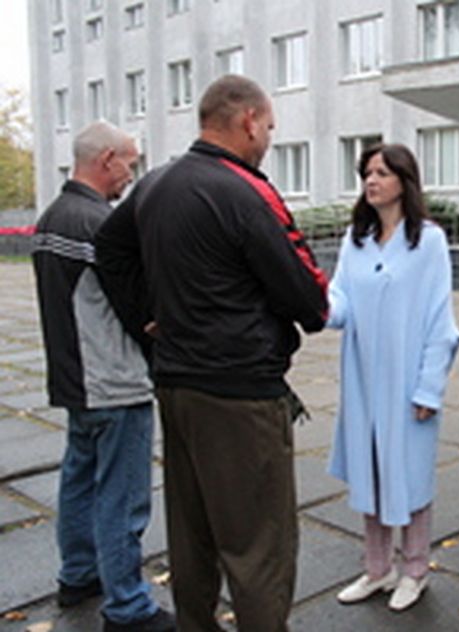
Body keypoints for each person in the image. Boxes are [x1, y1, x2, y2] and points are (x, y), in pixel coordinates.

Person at [94, 75, 329, 632]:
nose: (268, 138)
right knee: (259, 548)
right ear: (248, 120)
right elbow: (310, 300)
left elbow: (110, 247)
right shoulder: (246, 191)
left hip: (177, 384)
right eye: (268, 127)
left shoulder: (155, 183)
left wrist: (148, 318)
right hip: (240, 394)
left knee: (192, 534)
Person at [32, 121, 175, 632]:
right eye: (130, 164)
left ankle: (78, 574)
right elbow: (137, 302)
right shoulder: (98, 223)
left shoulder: (53, 217)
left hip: (76, 380)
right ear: (107, 158)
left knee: (79, 480)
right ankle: (128, 607)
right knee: (122, 497)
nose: (130, 175)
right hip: (114, 381)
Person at [328, 143, 459, 612]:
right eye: (367, 172)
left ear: (405, 181)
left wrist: (429, 387)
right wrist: (312, 300)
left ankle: (415, 570)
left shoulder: (428, 241)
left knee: (410, 476)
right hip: (363, 381)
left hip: (408, 382)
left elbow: (441, 322)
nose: (372, 180)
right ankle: (377, 569)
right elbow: (339, 300)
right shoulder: (356, 240)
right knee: (371, 472)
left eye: (382, 172)